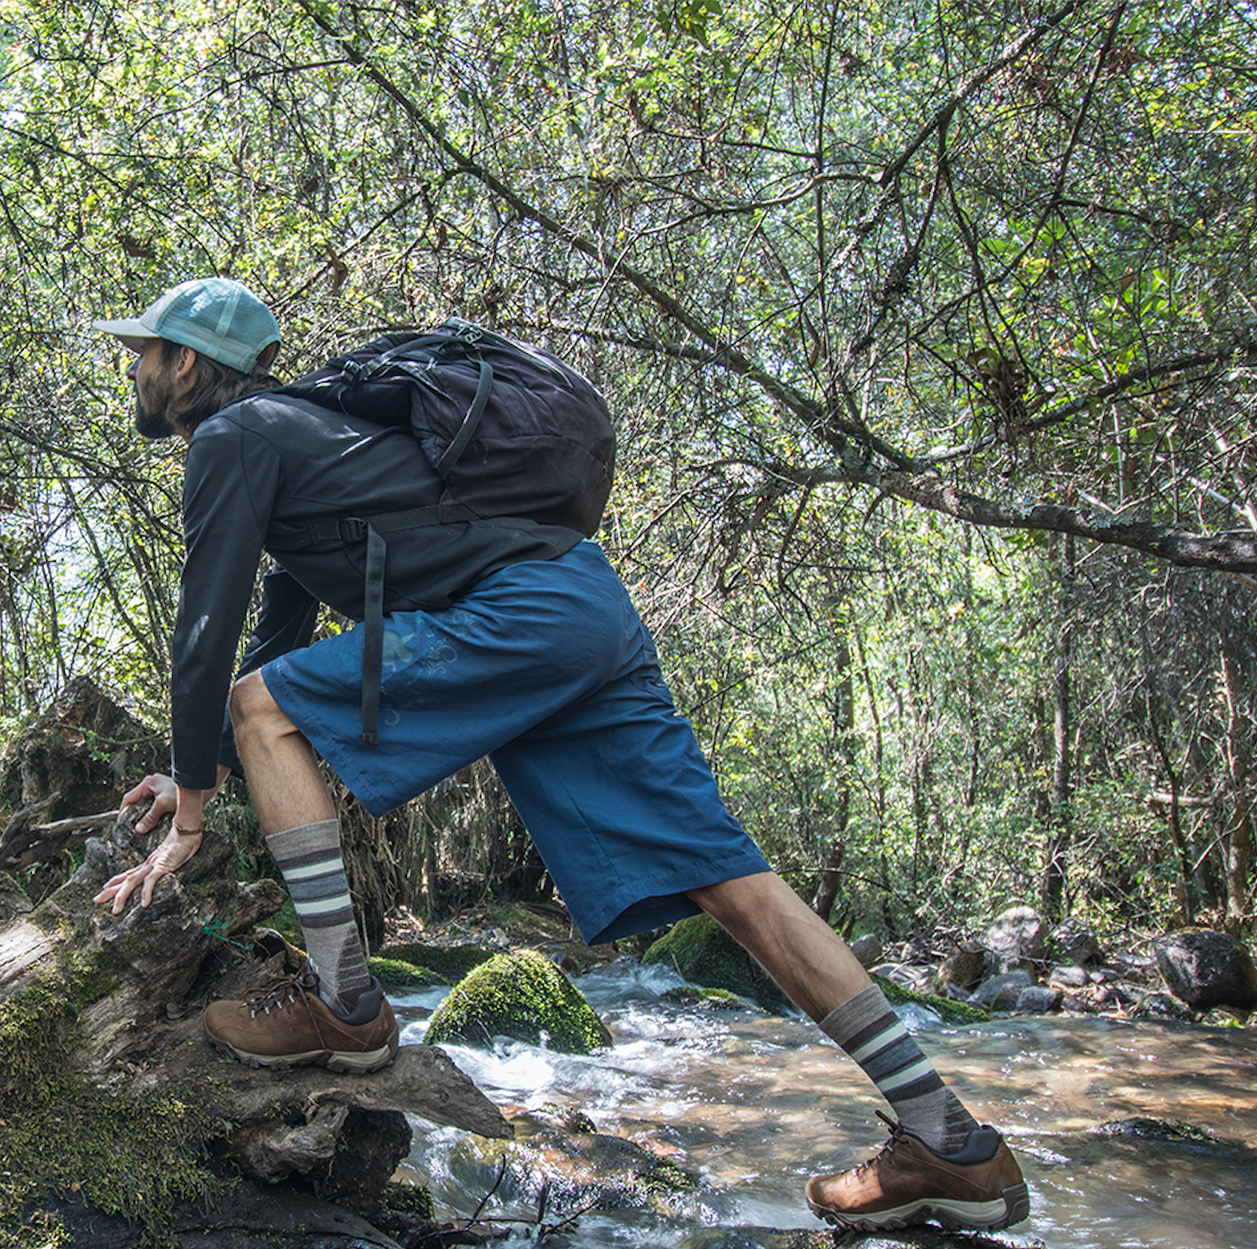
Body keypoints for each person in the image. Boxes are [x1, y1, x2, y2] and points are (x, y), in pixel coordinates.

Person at [88, 276, 1030, 1234]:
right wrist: (191, 761)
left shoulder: (230, 440)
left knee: (263, 709)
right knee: (733, 881)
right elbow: (271, 647)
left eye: (143, 351)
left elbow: (204, 638)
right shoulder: (304, 437)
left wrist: (194, 810)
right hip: (584, 607)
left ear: (189, 363)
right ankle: (947, 1136)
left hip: (520, 618)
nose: (135, 369)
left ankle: (344, 1001)